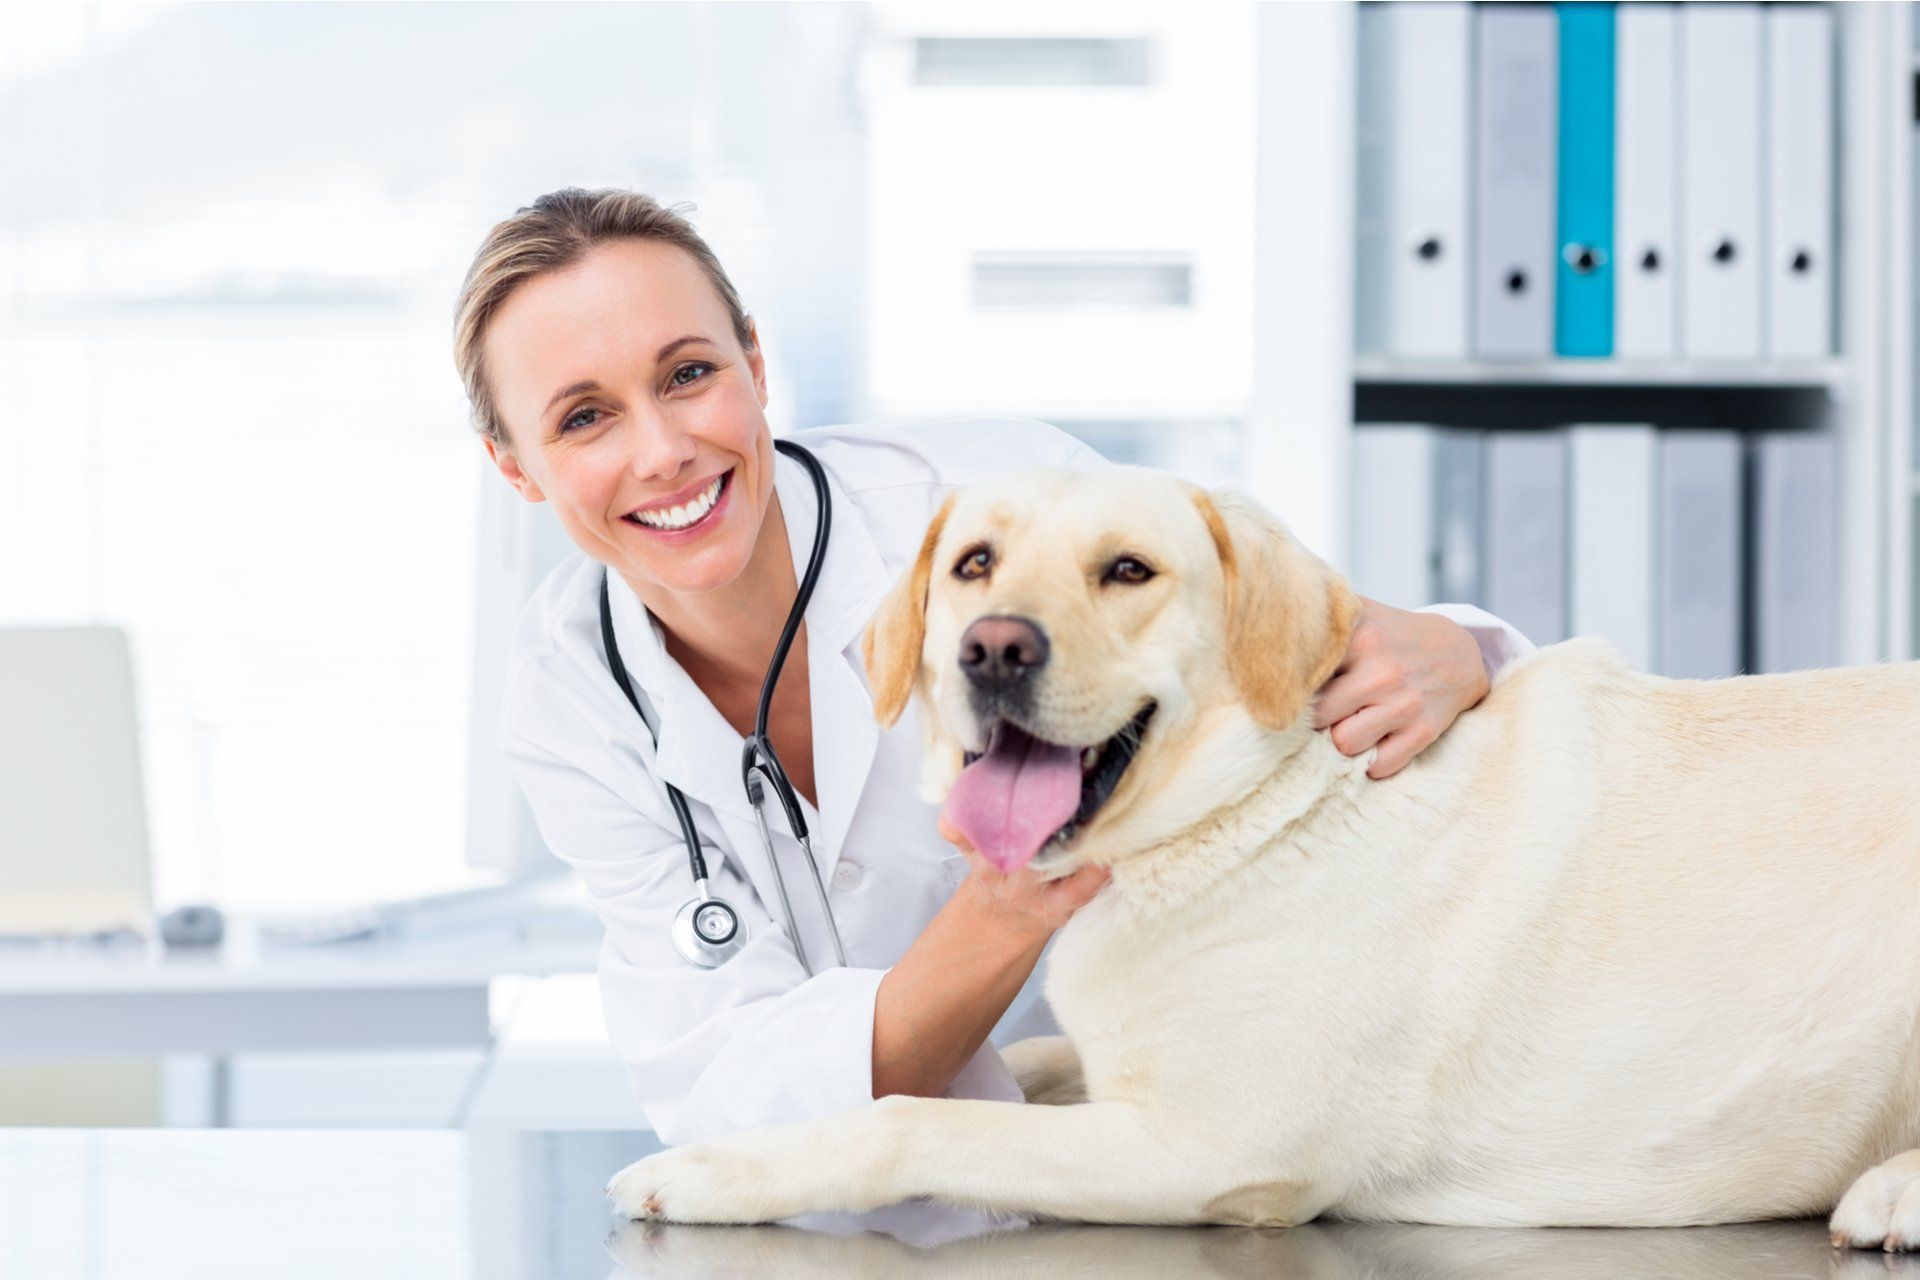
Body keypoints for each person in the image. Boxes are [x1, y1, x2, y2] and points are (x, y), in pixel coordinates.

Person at [454, 188, 1533, 1146]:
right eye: (584, 416)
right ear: (516, 466)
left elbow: (1275, 662)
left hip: (1177, 1134)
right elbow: (723, 1086)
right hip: (872, 1212)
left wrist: (1462, 649)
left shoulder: (998, 504)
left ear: (755, 363)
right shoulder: (569, 701)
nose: (662, 451)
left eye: (689, 374)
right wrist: (1009, 905)